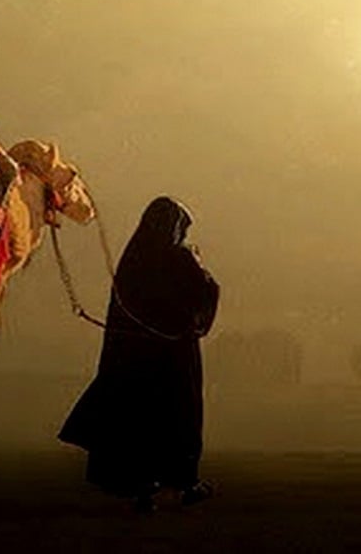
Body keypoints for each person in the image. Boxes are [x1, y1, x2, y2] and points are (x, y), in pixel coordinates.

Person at [58, 196, 220, 512]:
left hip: (133, 362)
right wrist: (200, 268)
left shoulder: (133, 262)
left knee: (135, 422)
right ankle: (185, 484)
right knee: (178, 417)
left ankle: (140, 489)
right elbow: (204, 295)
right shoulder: (181, 259)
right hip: (174, 361)